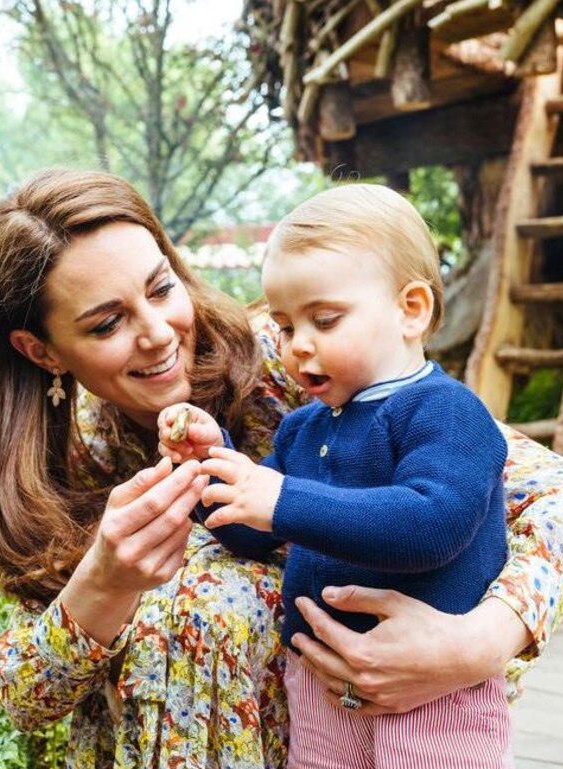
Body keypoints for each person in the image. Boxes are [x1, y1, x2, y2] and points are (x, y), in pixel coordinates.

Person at [0, 167, 563, 769]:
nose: (157, 331)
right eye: (107, 324)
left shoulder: (303, 362)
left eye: (161, 287)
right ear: (42, 351)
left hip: (402, 731)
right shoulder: (63, 470)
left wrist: (479, 642)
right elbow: (25, 695)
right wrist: (104, 582)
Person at [157, 184, 512, 767]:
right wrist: (207, 464)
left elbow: (432, 524)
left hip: (433, 695)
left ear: (411, 309)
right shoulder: (302, 430)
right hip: (320, 683)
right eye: (287, 326)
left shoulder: (447, 412)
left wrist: (282, 501)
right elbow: (250, 529)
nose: (299, 346)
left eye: (325, 319)